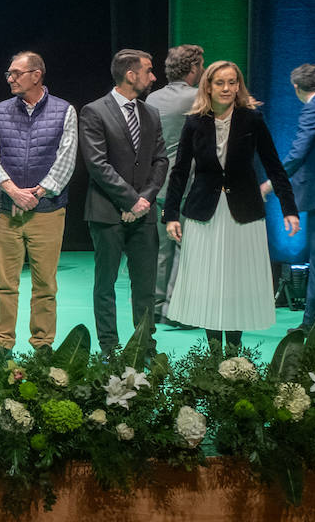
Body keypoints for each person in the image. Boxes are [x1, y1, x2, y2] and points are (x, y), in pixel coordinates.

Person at [163, 60, 298, 351]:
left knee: (236, 282)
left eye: (232, 82)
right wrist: (170, 214)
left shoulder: (252, 119)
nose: (226, 88)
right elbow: (180, 171)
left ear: (239, 86)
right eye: (220, 83)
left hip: (244, 212)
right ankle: (213, 357)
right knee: (209, 283)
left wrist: (289, 208)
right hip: (204, 213)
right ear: (208, 86)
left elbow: (274, 166)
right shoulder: (194, 121)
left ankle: (234, 354)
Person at [0, 51, 77, 352]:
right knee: (3, 284)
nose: (10, 78)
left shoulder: (65, 111)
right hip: (6, 212)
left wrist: (36, 193)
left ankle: (42, 345)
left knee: (46, 286)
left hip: (47, 212)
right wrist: (13, 191)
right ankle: (1, 345)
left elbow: (66, 159)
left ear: (36, 75)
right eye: (9, 74)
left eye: (16, 73)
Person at [80, 48, 169, 360]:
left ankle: (145, 345)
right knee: (105, 284)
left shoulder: (151, 113)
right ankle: (109, 347)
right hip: (107, 212)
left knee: (144, 286)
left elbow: (161, 161)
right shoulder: (94, 111)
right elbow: (97, 164)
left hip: (143, 213)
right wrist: (131, 200)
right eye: (148, 70)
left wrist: (145, 199)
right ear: (131, 75)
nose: (153, 77)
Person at [271, 64, 315, 332]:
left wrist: (274, 181)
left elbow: (298, 152)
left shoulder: (313, 108)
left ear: (297, 88)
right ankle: (309, 323)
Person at [144, 43, 204, 325]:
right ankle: (174, 309)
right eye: (201, 66)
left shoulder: (152, 98)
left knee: (161, 247)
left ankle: (155, 305)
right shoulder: (198, 97)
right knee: (184, 247)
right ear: (193, 69)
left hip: (156, 183)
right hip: (187, 184)